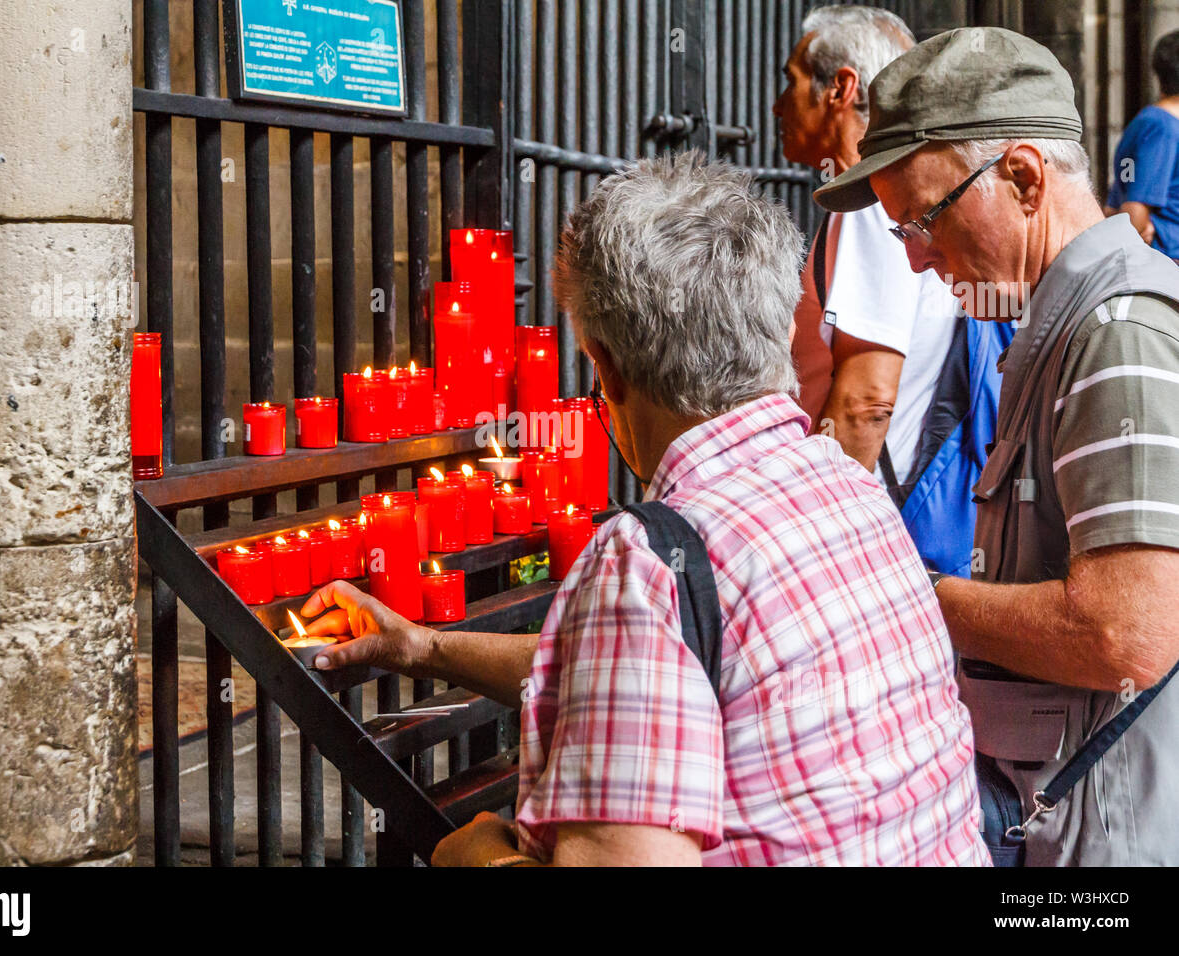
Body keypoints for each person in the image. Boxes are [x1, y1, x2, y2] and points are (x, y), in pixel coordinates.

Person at [302, 153, 989, 867]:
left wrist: (479, 859)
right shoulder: (850, 493)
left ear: (607, 369)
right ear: (784, 330)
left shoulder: (651, 560)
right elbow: (648, 677)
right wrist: (423, 645)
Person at [816, 26, 1179, 866]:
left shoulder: (1116, 330)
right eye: (902, 230)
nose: (915, 260)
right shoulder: (1057, 322)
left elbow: (1128, 630)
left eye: (925, 220)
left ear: (1021, 176)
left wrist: (915, 596)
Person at [775, 4, 1008, 576]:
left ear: (841, 88)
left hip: (875, 518)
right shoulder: (894, 196)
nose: (779, 103)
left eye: (792, 80)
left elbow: (865, 400)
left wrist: (823, 544)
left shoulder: (872, 202)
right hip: (894, 508)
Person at [1104, 30, 1179, 256]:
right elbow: (1134, 208)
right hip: (1167, 260)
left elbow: (1124, 184)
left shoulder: (1147, 122)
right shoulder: (1162, 128)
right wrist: (1136, 228)